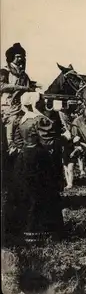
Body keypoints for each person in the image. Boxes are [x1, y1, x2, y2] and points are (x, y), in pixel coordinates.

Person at [14, 92, 64, 245]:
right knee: (45, 193)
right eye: (41, 101)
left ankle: (28, 231)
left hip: (24, 158)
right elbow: (48, 141)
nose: (43, 103)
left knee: (28, 194)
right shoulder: (40, 120)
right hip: (40, 159)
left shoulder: (21, 121)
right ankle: (47, 231)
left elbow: (17, 141)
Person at [1, 43, 38, 149]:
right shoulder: (4, 71)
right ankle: (10, 144)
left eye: (21, 56)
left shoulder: (23, 74)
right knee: (12, 121)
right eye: (17, 56)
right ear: (11, 57)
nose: (20, 58)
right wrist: (20, 88)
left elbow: (29, 86)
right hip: (8, 104)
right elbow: (2, 86)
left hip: (22, 104)